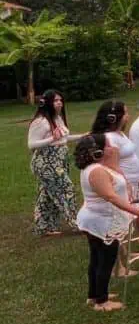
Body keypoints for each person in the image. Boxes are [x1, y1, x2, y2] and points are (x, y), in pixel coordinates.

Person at [75, 133, 139, 311]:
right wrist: (137, 212)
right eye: (109, 145)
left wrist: (113, 159)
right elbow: (111, 196)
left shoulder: (99, 167)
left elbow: (119, 179)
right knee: (105, 261)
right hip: (102, 222)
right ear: (98, 152)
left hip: (98, 219)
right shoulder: (96, 171)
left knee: (97, 258)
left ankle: (94, 295)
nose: (113, 148)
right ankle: (102, 302)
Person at [27, 89, 83, 237]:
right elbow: (31, 144)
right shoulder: (41, 121)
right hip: (46, 162)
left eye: (60, 100)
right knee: (66, 188)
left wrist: (82, 136)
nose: (59, 103)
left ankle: (44, 228)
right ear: (47, 103)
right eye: (55, 100)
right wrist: (51, 139)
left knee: (46, 195)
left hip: (58, 160)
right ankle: (76, 223)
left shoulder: (57, 118)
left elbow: (64, 138)